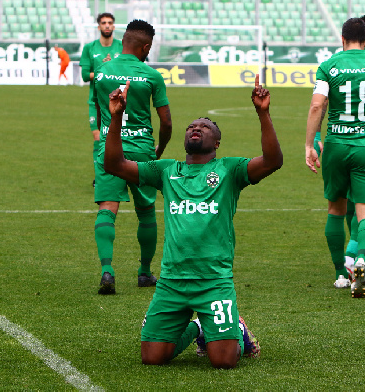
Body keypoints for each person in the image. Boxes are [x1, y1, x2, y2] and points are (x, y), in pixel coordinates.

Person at [104, 74, 282, 368]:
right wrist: (116, 117)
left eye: (204, 127)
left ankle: (231, 330)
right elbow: (114, 164)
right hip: (172, 282)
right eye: (191, 127)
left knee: (224, 362)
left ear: (217, 141)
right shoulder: (165, 170)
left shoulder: (230, 169)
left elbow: (272, 160)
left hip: (213, 281)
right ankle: (199, 328)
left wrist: (263, 113)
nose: (195, 128)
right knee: (152, 357)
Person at [306, 18, 365, 298]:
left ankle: (339, 274)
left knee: (335, 209)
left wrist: (310, 144)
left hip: (336, 145)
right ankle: (360, 259)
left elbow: (316, 105)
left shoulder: (330, 65)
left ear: (342, 38)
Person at [92, 19, 172, 294]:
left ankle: (107, 270)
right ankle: (144, 272)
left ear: (123, 41)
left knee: (107, 208)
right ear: (146, 46)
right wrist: (159, 150)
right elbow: (167, 122)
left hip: (109, 148)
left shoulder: (102, 72)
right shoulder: (152, 76)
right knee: (146, 211)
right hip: (142, 150)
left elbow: (103, 110)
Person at [80, 13, 123, 187]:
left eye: (110, 23)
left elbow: (128, 71)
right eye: (103, 23)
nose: (107, 26)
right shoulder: (90, 48)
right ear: (98, 27)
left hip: (119, 102)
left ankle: (121, 174)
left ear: (114, 26)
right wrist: (102, 68)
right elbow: (84, 76)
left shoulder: (122, 47)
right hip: (96, 102)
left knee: (120, 138)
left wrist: (112, 67)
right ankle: (100, 177)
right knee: (98, 138)